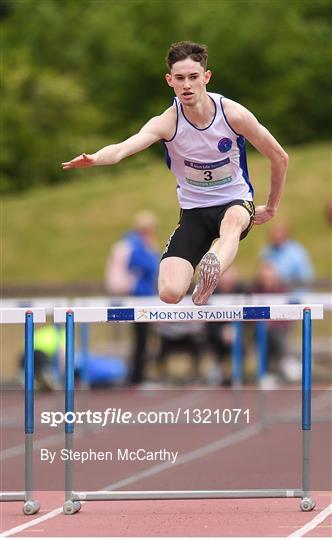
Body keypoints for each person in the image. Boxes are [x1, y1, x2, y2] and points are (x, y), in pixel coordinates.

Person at [62, 41, 288, 306]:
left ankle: (211, 267)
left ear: (207, 77)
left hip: (234, 200)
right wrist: (96, 158)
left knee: (234, 221)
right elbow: (125, 147)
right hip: (194, 210)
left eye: (193, 77)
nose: (187, 85)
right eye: (180, 78)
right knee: (169, 293)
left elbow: (279, 157)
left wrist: (271, 206)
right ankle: (202, 273)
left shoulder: (233, 115)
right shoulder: (168, 121)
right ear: (170, 81)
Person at [105, 211, 159, 385]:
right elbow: (142, 266)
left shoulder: (140, 244)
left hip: (144, 296)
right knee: (140, 338)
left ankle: (138, 373)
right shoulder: (136, 245)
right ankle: (137, 375)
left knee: (143, 338)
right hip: (139, 296)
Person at [260, 221, 314, 288]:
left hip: (293, 295)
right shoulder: (266, 250)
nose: (276, 236)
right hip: (271, 294)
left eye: (279, 233)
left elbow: (306, 277)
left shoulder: (297, 252)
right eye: (274, 233)